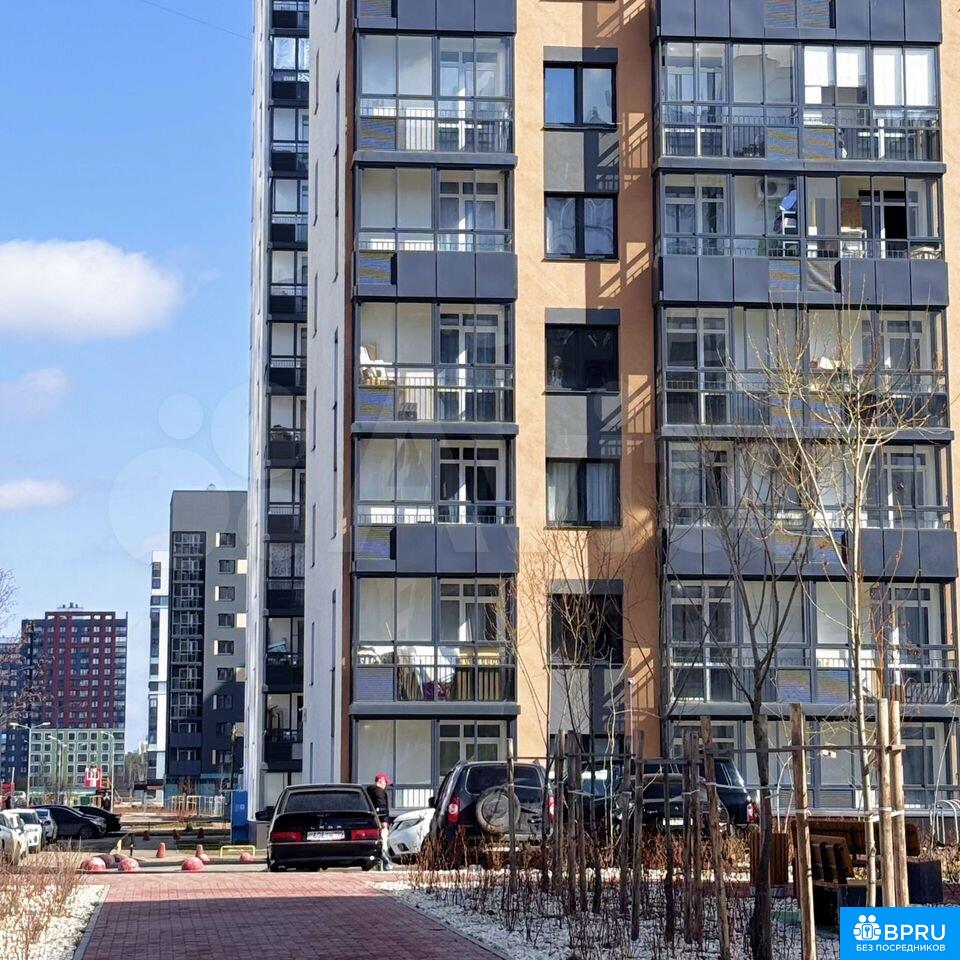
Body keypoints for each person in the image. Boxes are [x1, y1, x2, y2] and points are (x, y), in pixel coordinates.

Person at [366, 772, 393, 871]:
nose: (386, 785)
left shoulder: (368, 791)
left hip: (371, 822)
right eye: (385, 782)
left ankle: (377, 864)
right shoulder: (379, 792)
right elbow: (382, 807)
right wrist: (384, 821)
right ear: (381, 780)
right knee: (384, 843)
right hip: (380, 822)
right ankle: (386, 863)